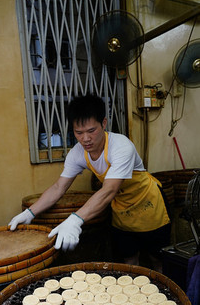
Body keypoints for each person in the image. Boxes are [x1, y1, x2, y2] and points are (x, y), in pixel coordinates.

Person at [9, 94, 171, 270]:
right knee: (130, 260)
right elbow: (58, 187)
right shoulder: (77, 153)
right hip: (122, 211)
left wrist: (75, 220)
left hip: (149, 205)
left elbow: (109, 190)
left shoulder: (121, 146)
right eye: (78, 133)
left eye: (91, 131)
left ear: (104, 123)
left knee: (157, 260)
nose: (85, 139)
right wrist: (29, 214)